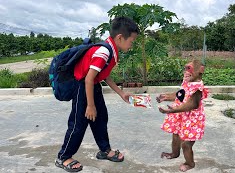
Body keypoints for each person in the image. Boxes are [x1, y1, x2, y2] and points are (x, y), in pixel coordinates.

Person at [55, 17, 139, 172]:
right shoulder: (104, 51)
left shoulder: (112, 50)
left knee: (100, 119)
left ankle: (104, 150)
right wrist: (90, 105)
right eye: (132, 41)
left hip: (94, 86)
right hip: (83, 87)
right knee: (78, 124)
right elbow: (88, 79)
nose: (132, 45)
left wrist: (121, 93)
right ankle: (63, 157)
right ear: (120, 37)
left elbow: (104, 74)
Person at [157, 59, 208, 172]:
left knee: (186, 143)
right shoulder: (188, 82)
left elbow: (192, 104)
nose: (186, 71)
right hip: (182, 116)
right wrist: (166, 97)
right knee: (176, 135)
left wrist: (174, 110)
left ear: (200, 70)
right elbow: (181, 94)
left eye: (189, 68)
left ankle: (190, 163)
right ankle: (174, 153)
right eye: (185, 68)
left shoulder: (198, 87)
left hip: (193, 120)